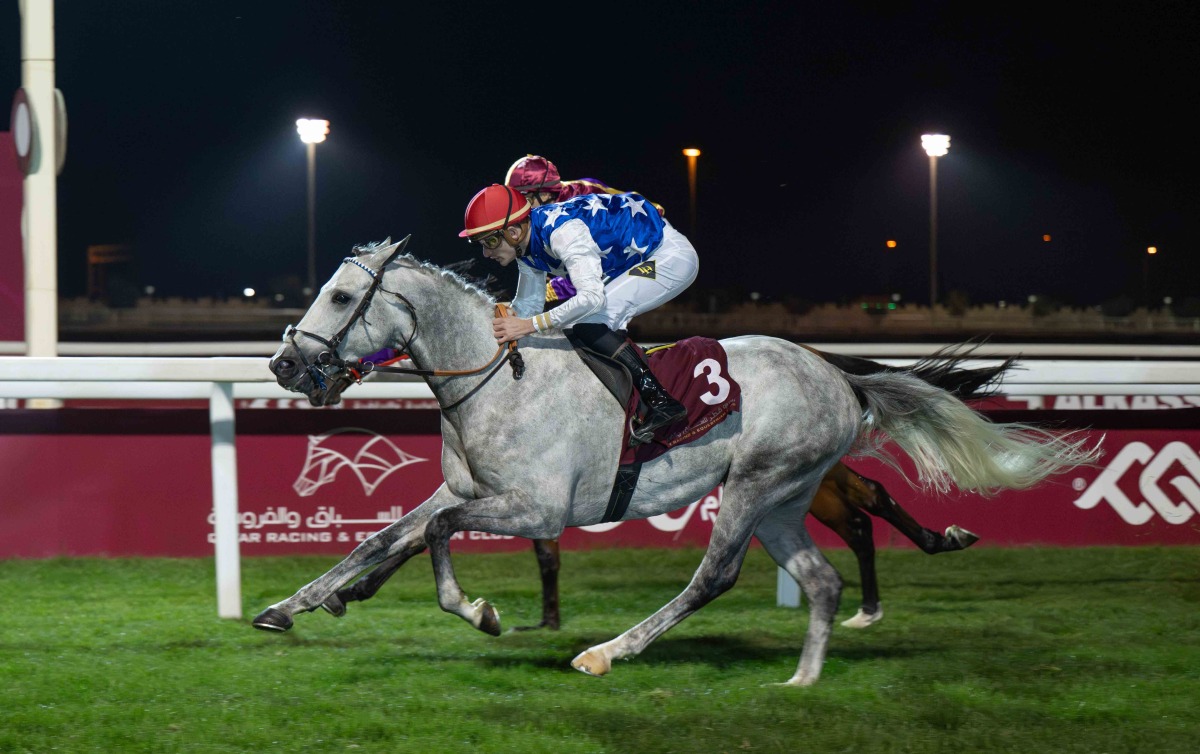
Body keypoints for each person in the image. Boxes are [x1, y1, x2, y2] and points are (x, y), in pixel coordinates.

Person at [459, 183, 698, 443]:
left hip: (667, 256)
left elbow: (590, 299)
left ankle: (660, 401)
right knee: (583, 326)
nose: (485, 252)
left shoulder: (563, 232)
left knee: (589, 323)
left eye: (490, 241)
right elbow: (528, 307)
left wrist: (528, 325)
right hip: (637, 260)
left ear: (514, 231)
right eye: (479, 244)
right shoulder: (525, 248)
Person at [504, 154, 663, 305]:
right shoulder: (543, 216)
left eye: (523, 200)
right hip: (618, 256)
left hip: (650, 250)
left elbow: (592, 272)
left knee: (591, 310)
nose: (518, 210)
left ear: (544, 194)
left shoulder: (579, 205)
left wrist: (551, 291)